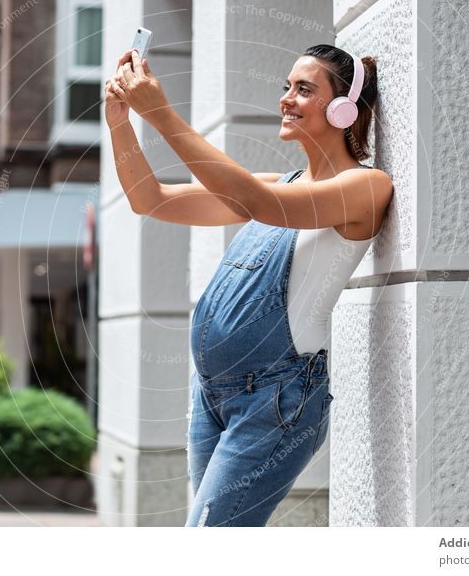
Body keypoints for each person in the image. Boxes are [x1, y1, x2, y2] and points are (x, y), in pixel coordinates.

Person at [104, 44, 393, 527]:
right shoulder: (282, 182)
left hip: (277, 397)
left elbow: (258, 201)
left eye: (304, 89)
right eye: (287, 87)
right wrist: (119, 119)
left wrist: (160, 113)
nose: (286, 99)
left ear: (343, 108)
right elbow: (148, 199)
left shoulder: (365, 187)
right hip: (214, 391)